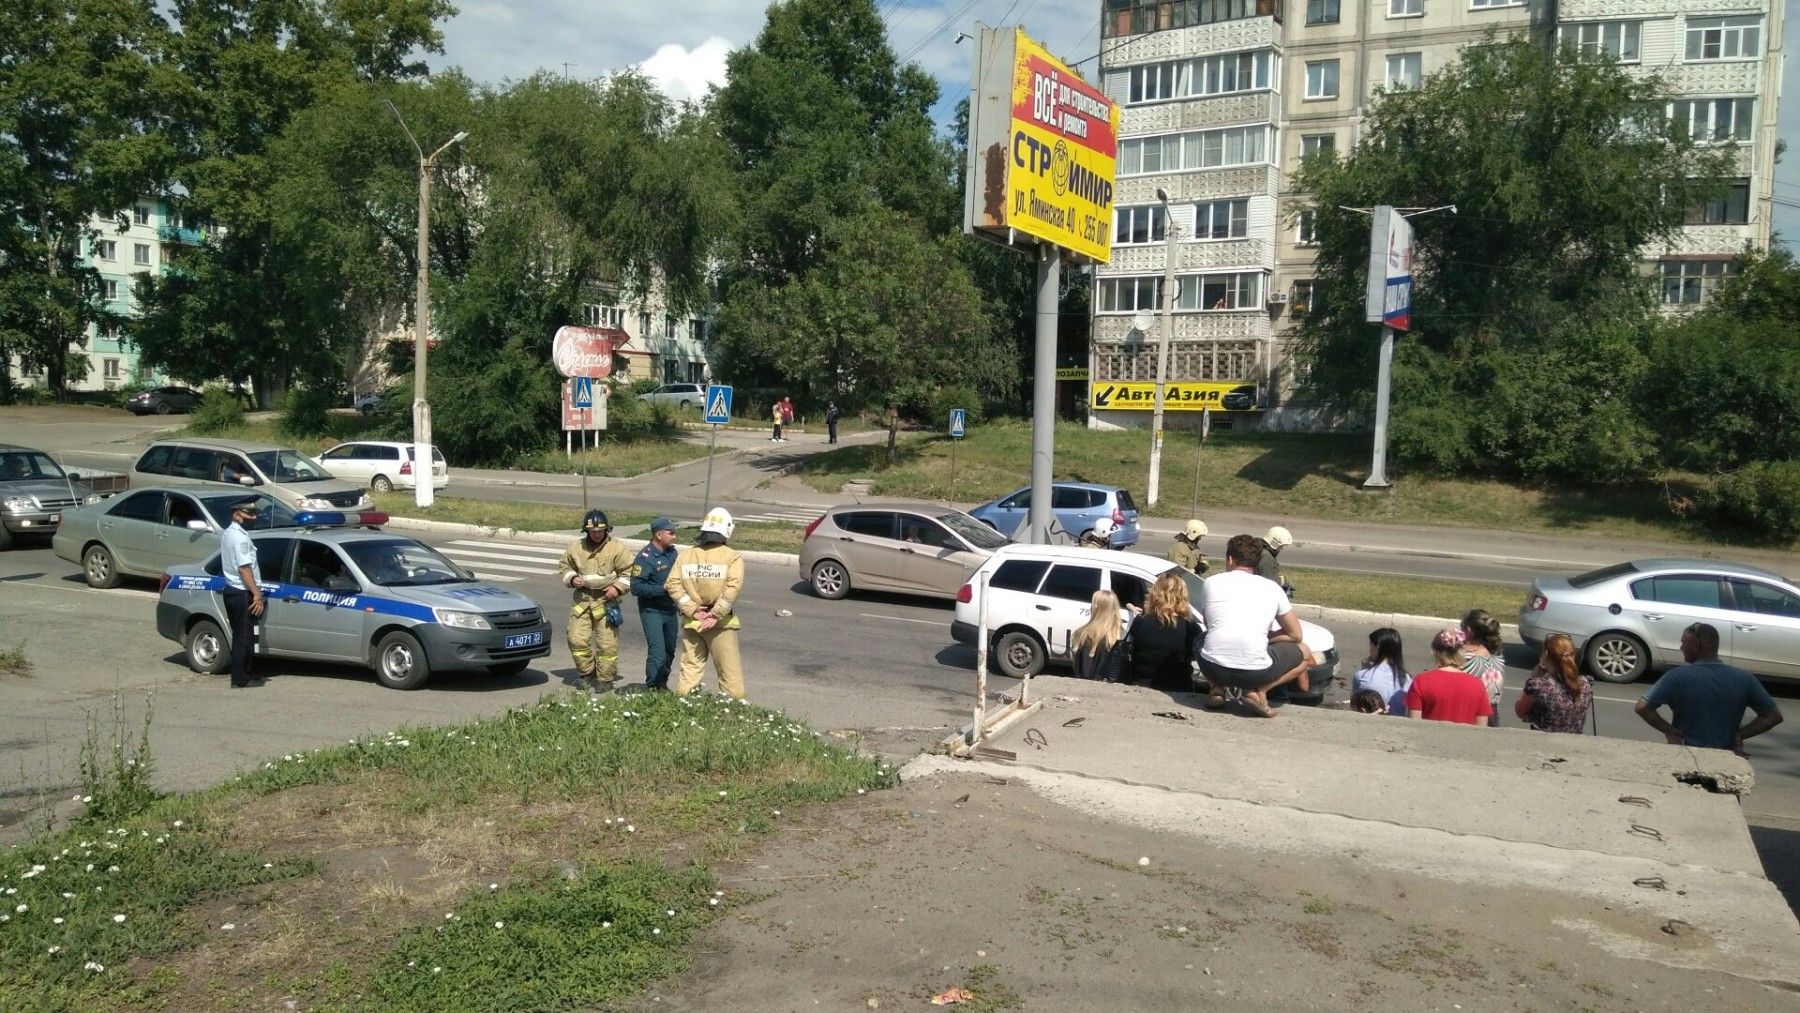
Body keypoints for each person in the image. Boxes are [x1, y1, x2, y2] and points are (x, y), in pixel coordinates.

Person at [1198, 534, 1312, 717]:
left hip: (1213, 668)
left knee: (1201, 638)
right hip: (1255, 673)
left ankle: (1216, 689)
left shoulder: (1211, 583)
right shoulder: (1272, 588)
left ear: (1229, 559)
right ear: (1257, 561)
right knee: (1305, 652)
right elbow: (1296, 635)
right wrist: (1268, 637)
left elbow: (1209, 625)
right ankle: (1259, 691)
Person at [1635, 622, 1783, 753]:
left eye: (1683, 643)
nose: (1681, 648)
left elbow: (1642, 707)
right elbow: (1773, 716)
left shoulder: (1676, 677)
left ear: (1696, 646)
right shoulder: (1744, 678)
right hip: (1726, 755)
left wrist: (1671, 731)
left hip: (1687, 754)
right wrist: (1739, 735)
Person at [667, 508, 747, 699]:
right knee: (729, 673)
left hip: (692, 622)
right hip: (720, 624)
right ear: (727, 531)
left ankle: (684, 708)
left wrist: (693, 611)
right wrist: (714, 614)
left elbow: (672, 584)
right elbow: (732, 588)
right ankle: (733, 713)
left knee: (690, 671)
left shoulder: (685, 555)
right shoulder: (732, 556)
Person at [556, 509, 634, 692]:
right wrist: (572, 579)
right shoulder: (575, 547)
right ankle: (587, 674)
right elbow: (564, 567)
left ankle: (605, 679)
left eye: (601, 530)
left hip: (606, 601)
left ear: (607, 530)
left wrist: (617, 588)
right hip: (582, 601)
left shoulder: (617, 548)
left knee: (607, 643)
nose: (597, 534)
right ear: (586, 531)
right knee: (576, 639)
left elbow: (630, 572)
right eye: (593, 531)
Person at [1124, 572, 1201, 692]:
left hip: (1142, 686)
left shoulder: (1140, 621)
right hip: (1179, 688)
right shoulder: (1191, 628)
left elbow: (1134, 652)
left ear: (1155, 594)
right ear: (1183, 596)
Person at [630, 516, 682, 690]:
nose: (674, 536)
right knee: (657, 652)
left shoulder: (672, 553)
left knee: (669, 650)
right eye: (671, 533)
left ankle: (662, 683)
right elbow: (636, 587)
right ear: (658, 535)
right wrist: (663, 589)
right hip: (652, 610)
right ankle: (653, 686)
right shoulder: (645, 558)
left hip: (670, 609)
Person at [219, 498, 265, 688]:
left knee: (242, 635)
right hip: (241, 592)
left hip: (232, 589)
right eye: (249, 514)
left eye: (254, 514)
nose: (253, 517)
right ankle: (240, 679)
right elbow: (244, 568)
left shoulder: (228, 533)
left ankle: (243, 675)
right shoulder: (240, 538)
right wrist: (256, 594)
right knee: (243, 638)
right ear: (237, 514)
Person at [1405, 628, 1493, 725]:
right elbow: (1481, 728)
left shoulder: (1421, 681)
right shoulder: (1477, 685)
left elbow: (1414, 724)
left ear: (1435, 653)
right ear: (1462, 652)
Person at [1515, 633, 1591, 734]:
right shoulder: (1585, 683)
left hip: (1546, 743)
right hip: (1574, 742)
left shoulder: (1539, 685)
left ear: (1545, 655)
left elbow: (1520, 711)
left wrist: (1534, 677)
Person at [1071, 589, 1131, 682]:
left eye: (1093, 604)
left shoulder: (1085, 635)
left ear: (1097, 609)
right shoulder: (1122, 635)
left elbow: (1084, 672)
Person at [1460, 609, 1506, 728]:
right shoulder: (1497, 657)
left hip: (1470, 715)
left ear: (1468, 631)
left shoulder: (1463, 658)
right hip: (1492, 715)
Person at [1352, 627, 1410, 716]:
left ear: (1377, 647)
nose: (1370, 649)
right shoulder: (1407, 679)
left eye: (1371, 644)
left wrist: (1365, 670)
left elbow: (1355, 703)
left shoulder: (1362, 676)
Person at [1256, 525, 1294, 597]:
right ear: (1274, 543)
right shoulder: (1266, 557)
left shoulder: (1263, 551)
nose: (1281, 548)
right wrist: (1283, 581)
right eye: (1281, 546)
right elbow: (1268, 581)